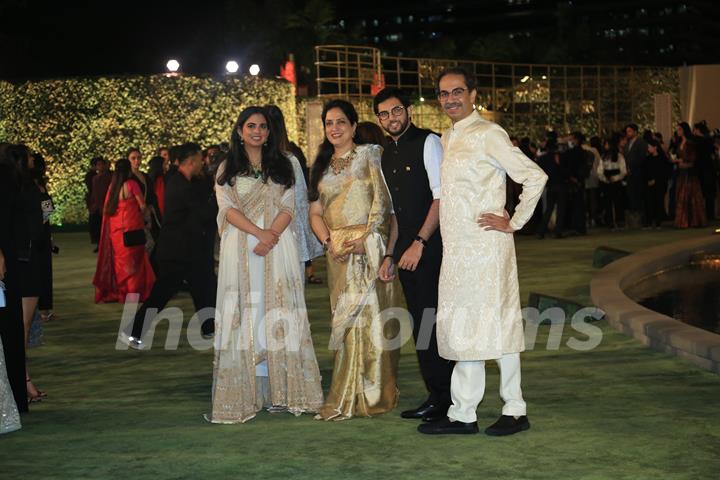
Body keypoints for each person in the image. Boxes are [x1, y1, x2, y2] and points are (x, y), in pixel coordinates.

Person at [418, 68, 547, 436]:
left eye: (457, 91)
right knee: (464, 330)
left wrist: (515, 221)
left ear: (473, 94)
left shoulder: (490, 133)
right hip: (458, 252)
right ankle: (464, 413)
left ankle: (515, 409)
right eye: (443, 94)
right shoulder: (449, 135)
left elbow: (534, 176)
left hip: (487, 249)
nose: (450, 99)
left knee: (501, 326)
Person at [208, 107, 323, 423]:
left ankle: (284, 391)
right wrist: (259, 233)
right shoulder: (227, 167)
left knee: (278, 312)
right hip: (242, 247)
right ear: (240, 130)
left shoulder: (284, 164)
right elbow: (226, 208)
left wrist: (271, 234)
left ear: (270, 132)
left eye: (262, 126)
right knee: (246, 313)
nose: (257, 131)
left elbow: (290, 205)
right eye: (250, 126)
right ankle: (247, 392)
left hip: (278, 245)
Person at [309, 99, 404, 421]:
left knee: (375, 322)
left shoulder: (369, 155)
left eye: (340, 122)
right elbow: (316, 212)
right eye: (329, 123)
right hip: (337, 253)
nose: (334, 128)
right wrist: (327, 242)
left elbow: (383, 200)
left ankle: (375, 393)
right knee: (347, 323)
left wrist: (369, 240)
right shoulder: (321, 166)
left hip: (368, 249)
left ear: (352, 126)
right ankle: (346, 389)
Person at [372, 87, 453, 422]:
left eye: (397, 110)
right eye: (384, 114)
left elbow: (440, 198)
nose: (392, 118)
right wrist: (390, 255)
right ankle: (437, 396)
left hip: (431, 249)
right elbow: (394, 214)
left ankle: (449, 399)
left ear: (408, 110)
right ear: (378, 119)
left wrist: (420, 242)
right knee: (422, 324)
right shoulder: (385, 154)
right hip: (405, 253)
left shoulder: (429, 142)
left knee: (436, 325)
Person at [124, 143, 217, 348]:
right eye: (200, 159)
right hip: (177, 252)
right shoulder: (180, 185)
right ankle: (133, 331)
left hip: (185, 251)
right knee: (163, 293)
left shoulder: (183, 182)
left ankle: (210, 328)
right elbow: (202, 213)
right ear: (191, 161)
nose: (203, 163)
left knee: (204, 287)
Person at [263, 105, 324, 275]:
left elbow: (299, 205)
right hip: (276, 238)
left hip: (278, 237)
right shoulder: (289, 160)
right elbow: (300, 206)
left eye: (262, 126)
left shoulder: (289, 161)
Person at [93, 158, 156, 303]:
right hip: (132, 230)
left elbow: (109, 210)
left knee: (121, 263)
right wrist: (146, 217)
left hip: (116, 232)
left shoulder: (112, 187)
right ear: (128, 171)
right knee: (136, 262)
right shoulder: (132, 184)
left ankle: (124, 292)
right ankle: (134, 292)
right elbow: (142, 206)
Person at [0, 143, 29, 413]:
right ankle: (18, 393)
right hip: (12, 261)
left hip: (16, 259)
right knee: (11, 325)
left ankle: (18, 393)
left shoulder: (16, 182)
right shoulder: (9, 180)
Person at [671, 135, 707, 228]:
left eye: (680, 129)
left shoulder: (690, 144)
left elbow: (692, 159)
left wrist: (683, 161)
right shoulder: (679, 143)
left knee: (690, 196)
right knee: (681, 196)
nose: (678, 132)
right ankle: (683, 220)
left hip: (690, 174)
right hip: (682, 173)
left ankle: (693, 220)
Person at [597, 133, 628, 230]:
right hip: (606, 183)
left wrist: (615, 178)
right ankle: (610, 222)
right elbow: (599, 171)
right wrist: (605, 179)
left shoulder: (618, 156)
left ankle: (619, 221)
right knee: (607, 203)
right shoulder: (603, 157)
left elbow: (623, 171)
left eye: (607, 144)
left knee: (618, 202)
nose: (606, 146)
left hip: (616, 182)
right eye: (605, 144)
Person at [623, 124, 648, 228]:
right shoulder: (627, 143)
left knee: (639, 196)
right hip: (629, 174)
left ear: (635, 131)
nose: (628, 133)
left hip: (638, 173)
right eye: (627, 131)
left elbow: (642, 158)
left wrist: (632, 168)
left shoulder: (641, 142)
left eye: (629, 131)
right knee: (631, 195)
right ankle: (634, 220)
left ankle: (642, 220)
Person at [644, 139, 671, 229]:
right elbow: (645, 171)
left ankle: (658, 222)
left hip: (660, 184)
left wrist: (656, 180)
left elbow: (664, 172)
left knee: (659, 202)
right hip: (650, 184)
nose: (648, 148)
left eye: (649, 147)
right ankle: (649, 222)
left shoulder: (662, 159)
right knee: (650, 203)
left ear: (655, 147)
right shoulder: (648, 158)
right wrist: (648, 180)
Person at [89, 157, 111, 253]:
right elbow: (94, 192)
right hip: (97, 206)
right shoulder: (95, 178)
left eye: (102, 164)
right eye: (98, 165)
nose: (100, 166)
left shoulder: (109, 177)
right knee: (97, 226)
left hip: (106, 204)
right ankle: (100, 244)